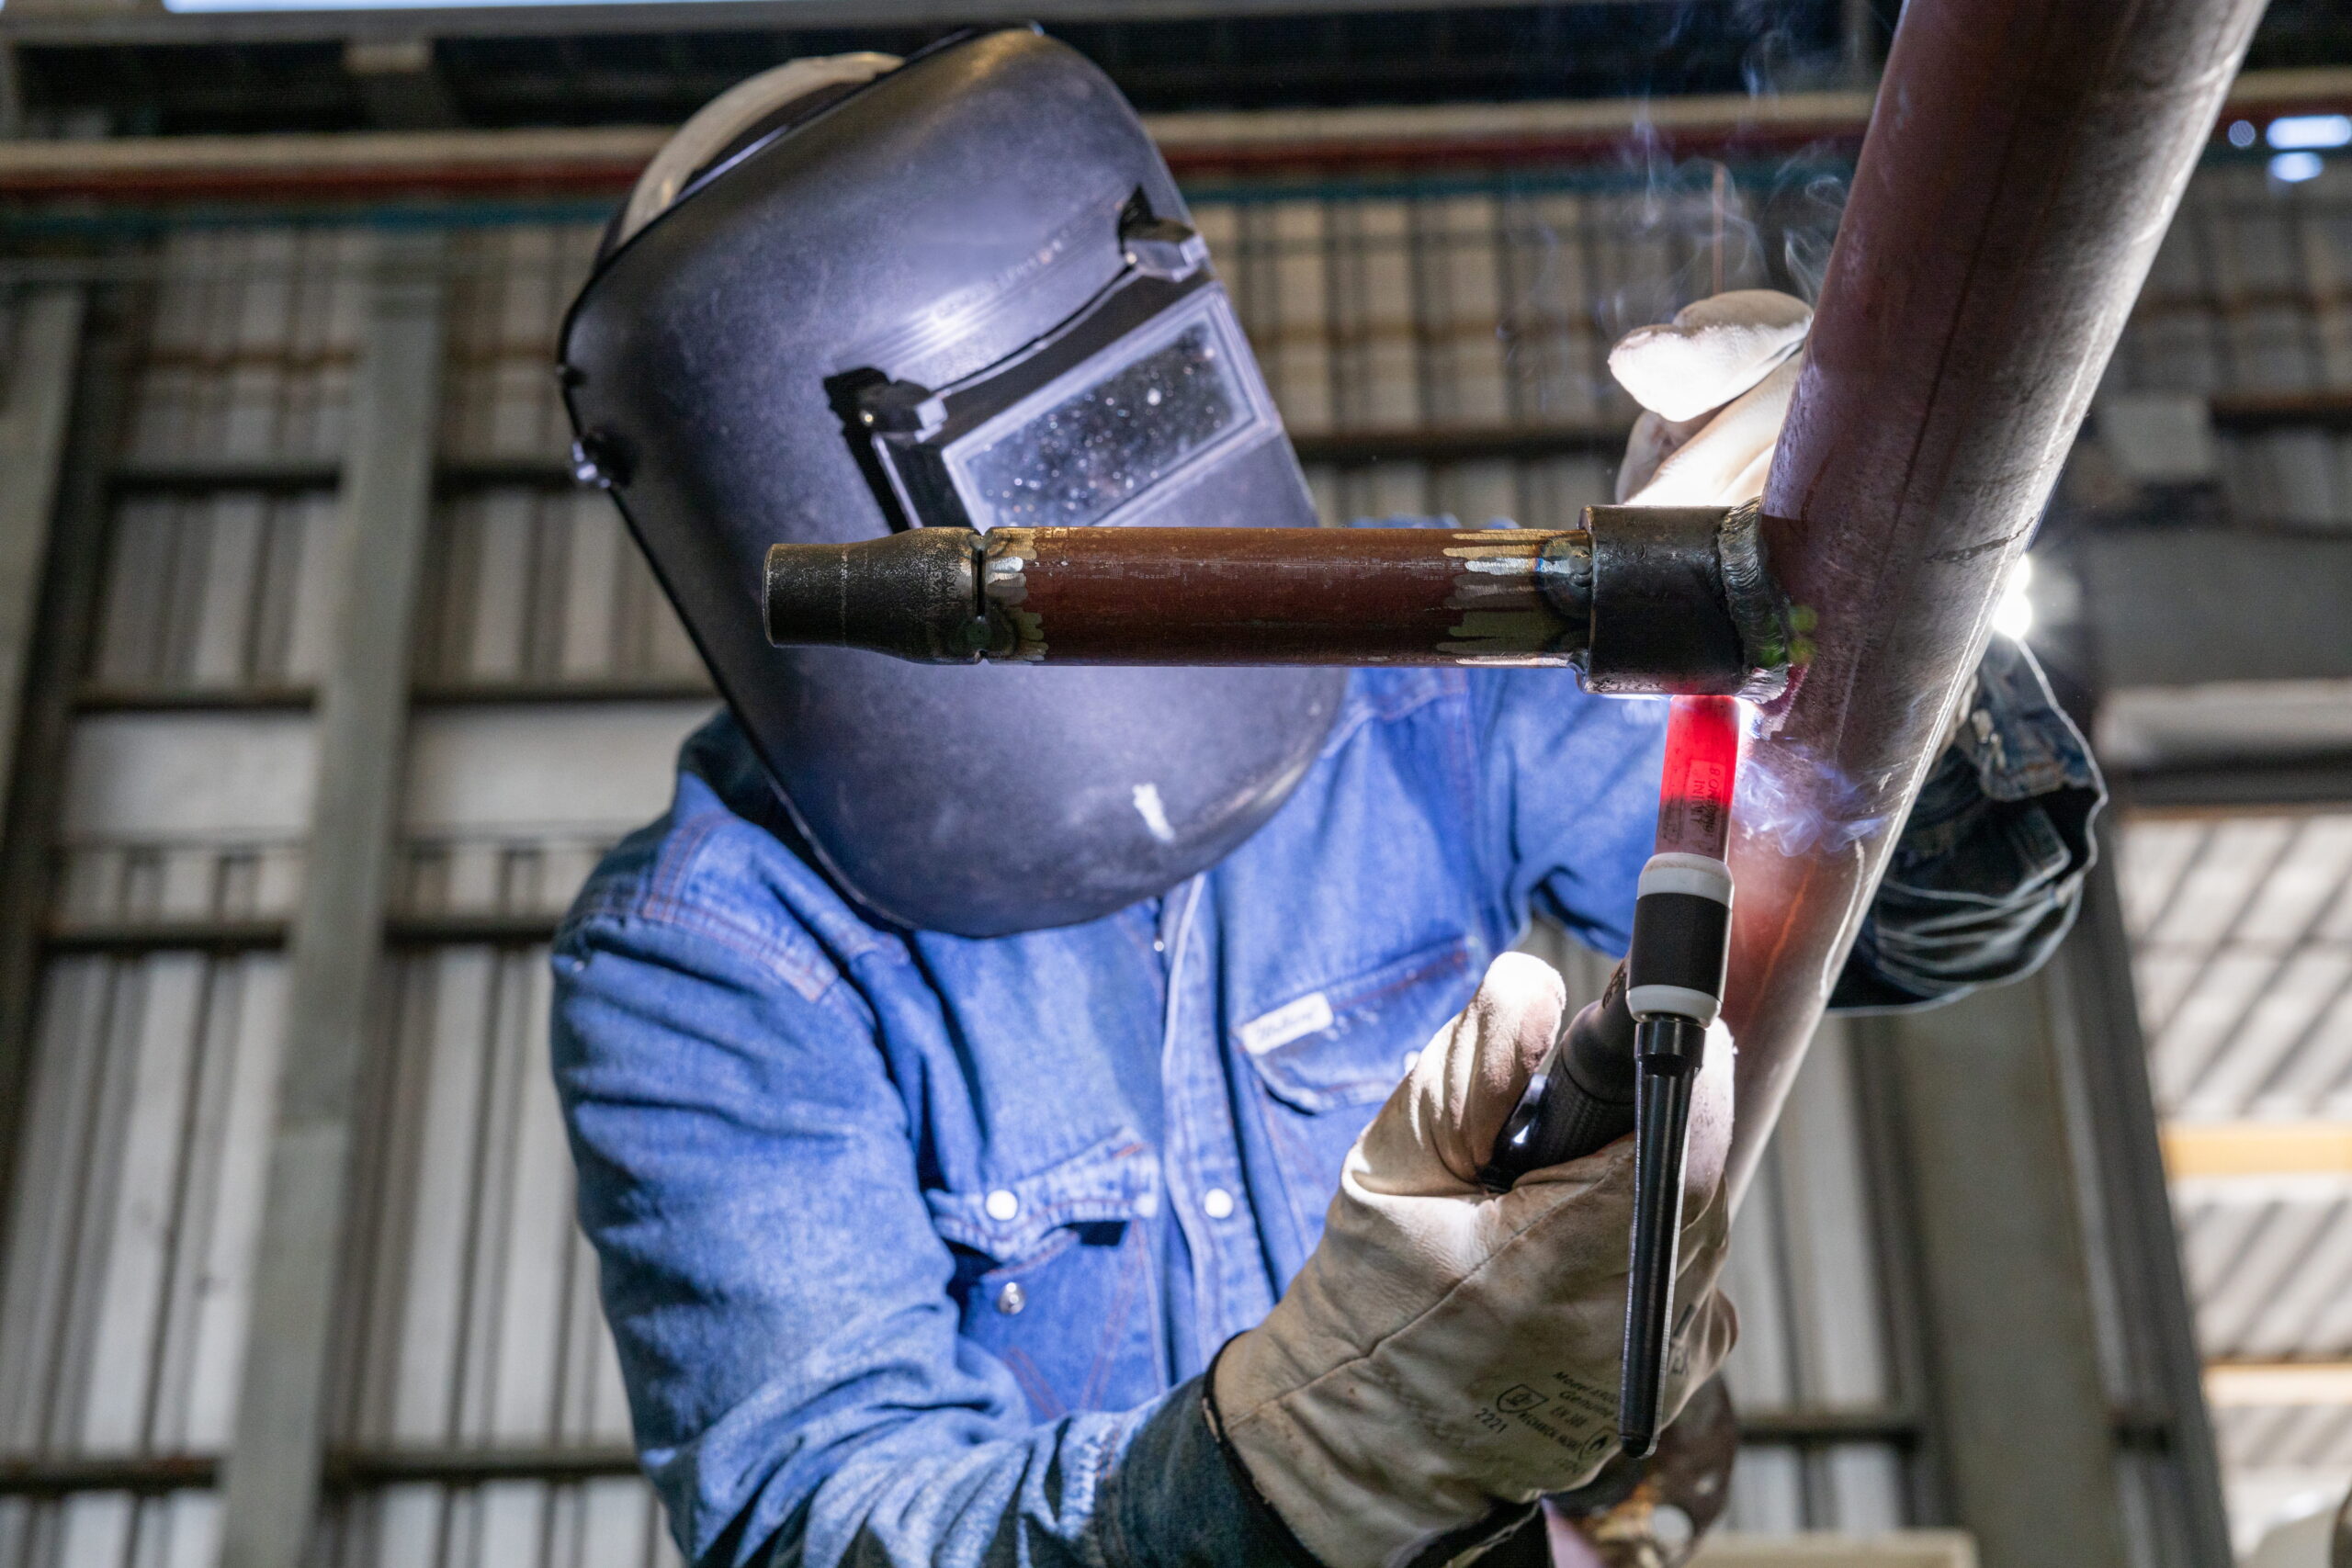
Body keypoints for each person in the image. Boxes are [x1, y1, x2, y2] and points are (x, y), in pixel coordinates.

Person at [550, 35, 2103, 1568]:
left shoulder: (1424, 672)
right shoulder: (715, 952)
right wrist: (1307, 1457)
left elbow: (1937, 918)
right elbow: (823, 1518)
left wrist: (1867, 626)